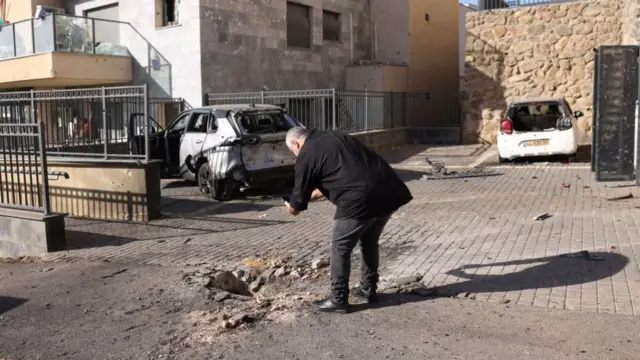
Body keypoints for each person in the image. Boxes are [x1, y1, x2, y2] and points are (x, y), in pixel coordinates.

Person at [284, 126, 413, 314]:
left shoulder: (306, 155)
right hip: (388, 189)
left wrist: (291, 206)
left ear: (295, 143)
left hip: (359, 199)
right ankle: (368, 289)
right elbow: (342, 173)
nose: (295, 154)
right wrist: (311, 196)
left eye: (292, 150)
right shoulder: (334, 136)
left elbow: (295, 208)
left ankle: (338, 299)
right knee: (369, 241)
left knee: (340, 247)